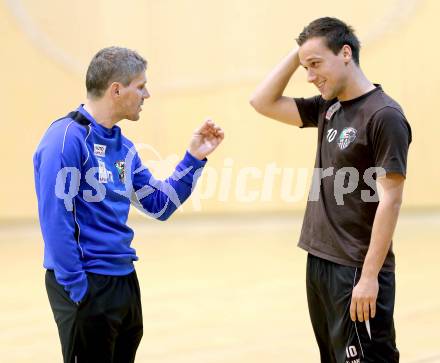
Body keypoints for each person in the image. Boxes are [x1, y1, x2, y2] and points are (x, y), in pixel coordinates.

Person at [33, 46, 224, 363]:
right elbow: (55, 220)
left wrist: (194, 158)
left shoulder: (123, 147)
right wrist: (78, 290)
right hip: (86, 284)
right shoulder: (65, 138)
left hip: (124, 282)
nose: (147, 94)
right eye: (141, 86)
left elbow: (161, 205)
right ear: (116, 90)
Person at [250, 17, 411, 363]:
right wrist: (300, 53)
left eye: (315, 64)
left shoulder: (384, 115)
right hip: (320, 260)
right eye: (305, 67)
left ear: (345, 54)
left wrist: (368, 278)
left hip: (356, 268)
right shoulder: (328, 106)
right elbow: (261, 101)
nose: (309, 76)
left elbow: (391, 201)